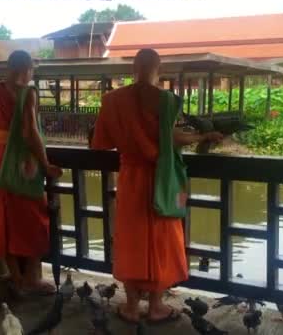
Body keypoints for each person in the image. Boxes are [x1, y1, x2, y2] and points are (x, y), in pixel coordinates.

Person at [90, 49, 223, 323]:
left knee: (130, 239)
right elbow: (172, 138)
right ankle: (156, 307)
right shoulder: (166, 100)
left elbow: (100, 142)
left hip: (129, 179)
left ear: (133, 69)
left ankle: (130, 307)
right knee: (162, 239)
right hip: (163, 179)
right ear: (158, 69)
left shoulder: (112, 100)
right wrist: (203, 135)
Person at [0, 50, 62, 294]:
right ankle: (31, 279)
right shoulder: (27, 93)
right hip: (22, 165)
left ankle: (17, 278)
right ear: (27, 70)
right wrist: (46, 164)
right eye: (32, 70)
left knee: (2, 222)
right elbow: (30, 133)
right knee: (33, 219)